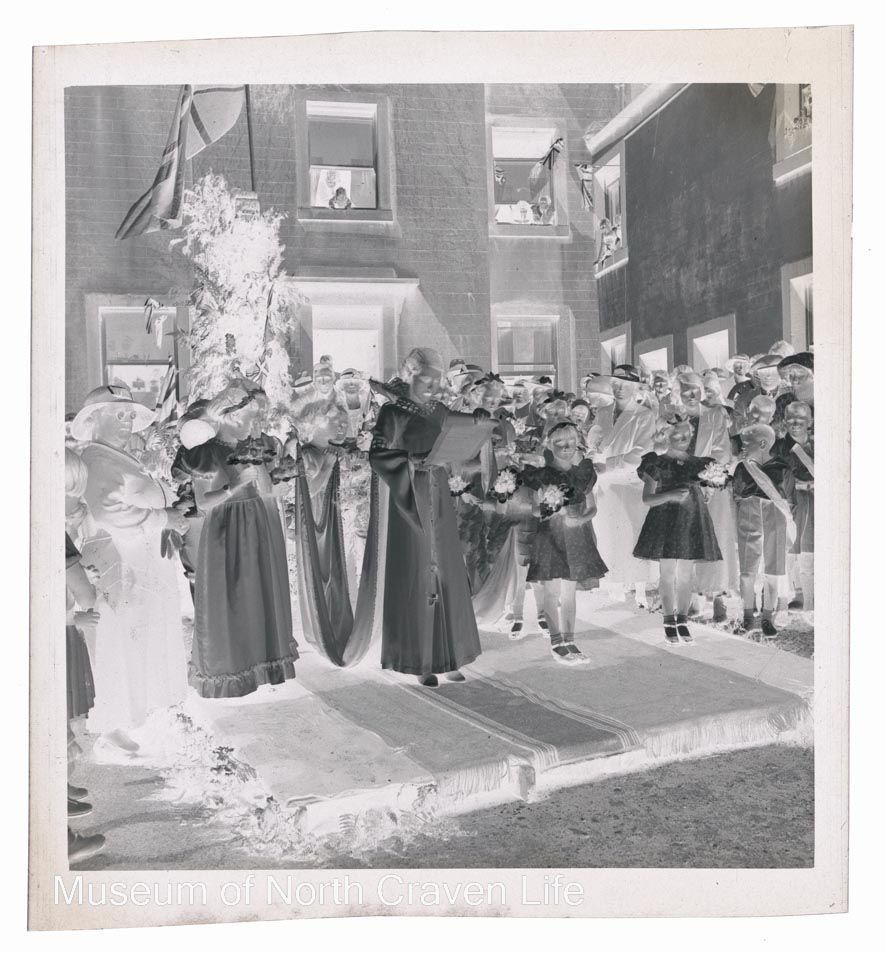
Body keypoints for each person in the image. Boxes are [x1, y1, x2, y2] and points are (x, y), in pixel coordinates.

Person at [73, 385, 189, 751]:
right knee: (116, 639)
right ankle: (110, 724)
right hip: (116, 562)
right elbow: (108, 511)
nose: (126, 422)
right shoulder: (96, 460)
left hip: (137, 562)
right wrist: (161, 517)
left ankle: (134, 714)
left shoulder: (118, 457)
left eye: (128, 415)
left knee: (137, 637)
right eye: (117, 415)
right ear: (95, 420)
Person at [368, 347, 483, 686]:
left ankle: (449, 656)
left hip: (438, 492)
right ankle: (420, 660)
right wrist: (409, 460)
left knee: (446, 566)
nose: (432, 386)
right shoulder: (392, 412)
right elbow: (377, 453)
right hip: (410, 495)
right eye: (426, 379)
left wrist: (477, 423)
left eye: (437, 380)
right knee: (417, 568)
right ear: (409, 374)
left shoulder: (440, 411)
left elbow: (460, 440)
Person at [179, 382, 297, 697]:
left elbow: (266, 489)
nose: (255, 424)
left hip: (256, 525)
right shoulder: (206, 453)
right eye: (251, 417)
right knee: (230, 594)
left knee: (256, 592)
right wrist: (234, 486)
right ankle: (230, 669)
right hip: (226, 529)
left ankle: (258, 664)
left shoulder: (252, 448)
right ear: (231, 415)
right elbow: (203, 502)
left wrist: (271, 475)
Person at [521, 421, 607, 663]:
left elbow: (592, 508)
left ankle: (570, 639)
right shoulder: (542, 475)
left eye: (570, 441)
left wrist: (581, 519)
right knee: (552, 591)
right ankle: (556, 641)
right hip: (551, 535)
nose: (566, 447)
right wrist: (553, 509)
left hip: (576, 536)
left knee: (570, 591)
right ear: (550, 445)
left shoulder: (583, 473)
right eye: (560, 442)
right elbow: (535, 510)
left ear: (577, 443)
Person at [633, 418, 723, 644]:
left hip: (691, 521)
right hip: (666, 521)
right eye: (677, 435)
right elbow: (647, 498)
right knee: (667, 573)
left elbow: (712, 485)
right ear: (666, 435)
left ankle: (682, 619)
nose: (683, 439)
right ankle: (668, 619)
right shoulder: (657, 462)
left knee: (686, 573)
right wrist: (670, 495)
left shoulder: (700, 464)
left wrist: (710, 488)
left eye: (687, 435)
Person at [592, 365, 658, 607]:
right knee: (608, 533)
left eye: (625, 385)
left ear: (636, 387)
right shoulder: (603, 412)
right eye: (616, 384)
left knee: (633, 531)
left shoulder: (643, 415)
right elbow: (593, 442)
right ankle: (614, 584)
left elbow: (642, 451)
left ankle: (640, 587)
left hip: (629, 481)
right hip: (604, 483)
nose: (619, 389)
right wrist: (591, 459)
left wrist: (608, 464)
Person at [732, 423, 796, 636]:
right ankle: (748, 617)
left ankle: (767, 617)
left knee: (773, 570)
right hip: (749, 512)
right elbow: (737, 492)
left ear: (762, 444)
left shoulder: (782, 468)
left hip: (774, 515)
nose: (742, 447)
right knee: (747, 569)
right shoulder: (742, 467)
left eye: (746, 443)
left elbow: (789, 499)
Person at [775, 401, 815, 616]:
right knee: (789, 552)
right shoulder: (779, 447)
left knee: (809, 552)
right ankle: (789, 599)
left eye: (801, 419)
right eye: (790, 418)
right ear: (784, 421)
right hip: (791, 502)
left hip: (814, 501)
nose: (795, 423)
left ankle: (810, 603)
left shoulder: (819, 444)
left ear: (811, 421)